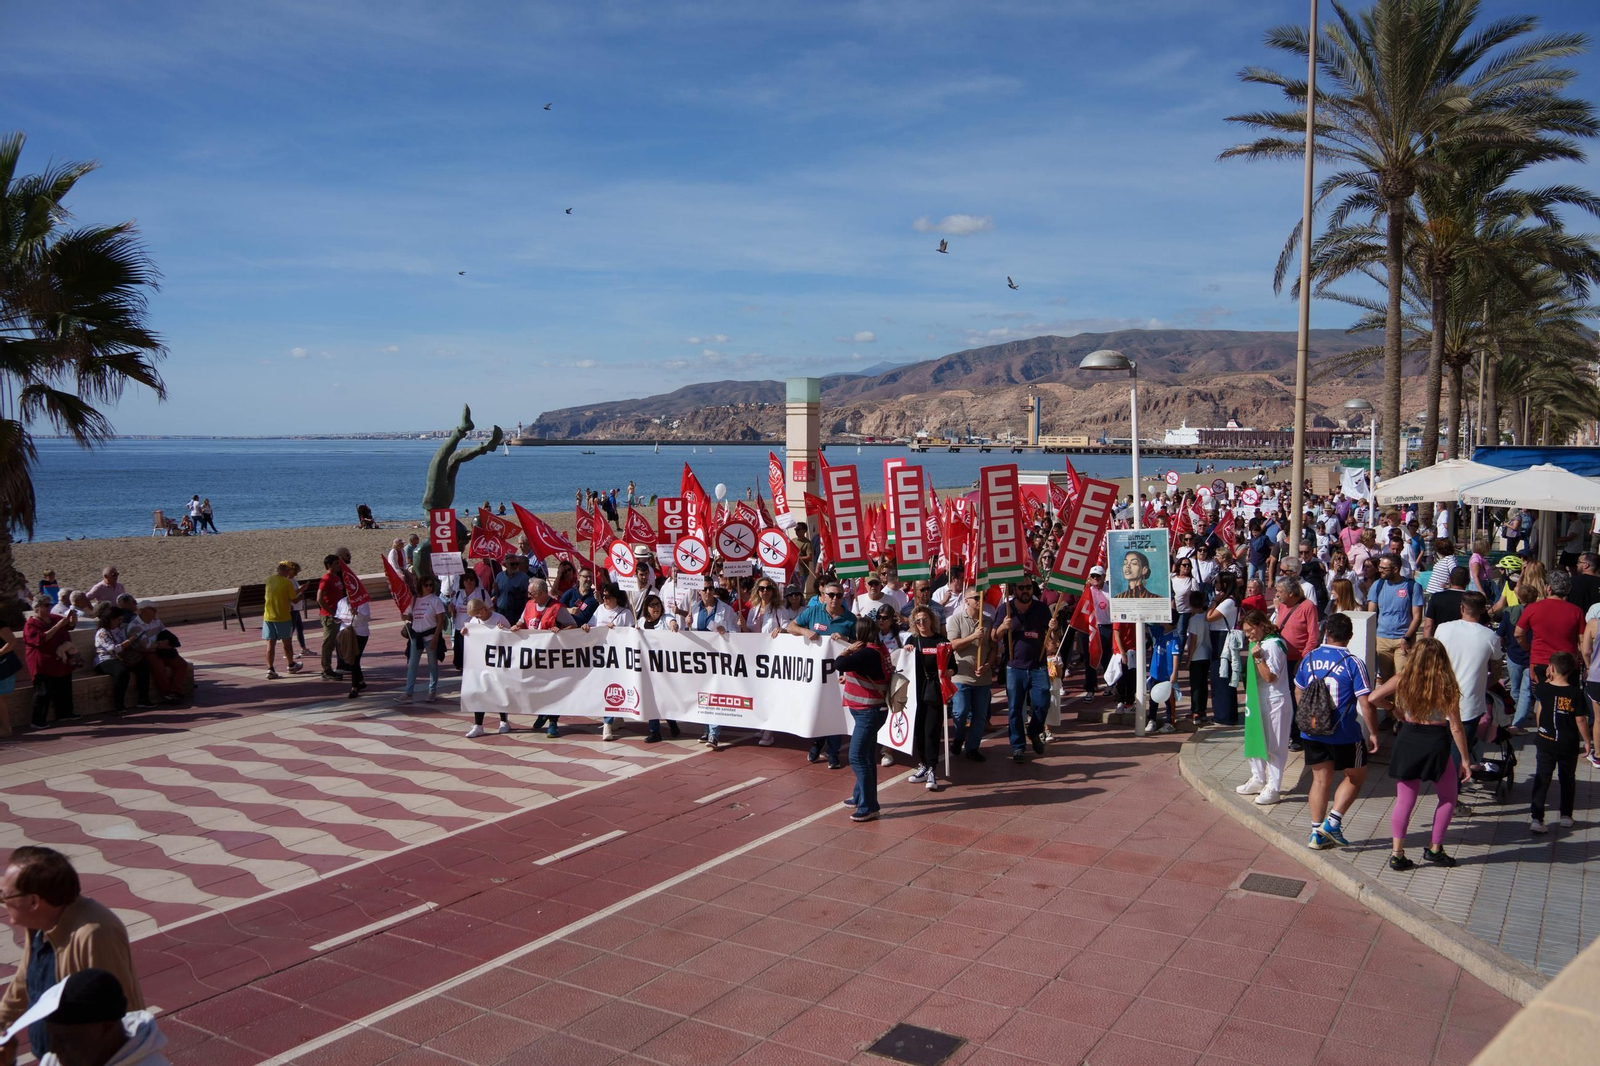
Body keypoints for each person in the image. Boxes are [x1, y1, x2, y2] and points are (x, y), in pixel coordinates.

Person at [0, 848, 143, 1065]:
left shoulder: (95, 934)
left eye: (5, 896)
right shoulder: (39, 924)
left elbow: (117, 1015)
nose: (3, 902)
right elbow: (25, 980)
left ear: (33, 902)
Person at [1370, 638, 1472, 869]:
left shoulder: (1404, 679)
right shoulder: (1447, 685)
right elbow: (1455, 726)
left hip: (1408, 738)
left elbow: (1374, 698)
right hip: (1435, 742)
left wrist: (1393, 709)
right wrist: (1465, 759)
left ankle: (1397, 854)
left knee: (1405, 801)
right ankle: (1435, 848)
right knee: (1447, 796)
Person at [1297, 613, 1378, 850]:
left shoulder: (1309, 658)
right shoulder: (1353, 662)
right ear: (1350, 636)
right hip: (1344, 733)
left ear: (1326, 633)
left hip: (1312, 731)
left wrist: (1307, 719)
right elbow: (1365, 702)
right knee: (1356, 776)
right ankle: (1332, 822)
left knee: (1320, 780)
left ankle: (1315, 833)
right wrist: (1373, 732)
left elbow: (1299, 692)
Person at [12, 968, 169, 1066]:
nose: (53, 1049)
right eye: (52, 1036)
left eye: (65, 1038)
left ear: (106, 1025)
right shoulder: (61, 1060)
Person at [787, 581, 856, 768]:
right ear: (823, 595)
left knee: (835, 712)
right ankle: (817, 743)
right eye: (831, 595)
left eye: (839, 596)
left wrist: (846, 640)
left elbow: (859, 644)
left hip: (837, 674)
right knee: (817, 708)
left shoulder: (850, 619)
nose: (835, 599)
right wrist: (805, 631)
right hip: (815, 675)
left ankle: (833, 753)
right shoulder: (813, 611)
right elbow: (791, 627)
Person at [1528, 651, 1592, 834]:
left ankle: (1537, 818)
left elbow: (1540, 708)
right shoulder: (1576, 693)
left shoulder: (1542, 689)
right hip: (1568, 743)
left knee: (1542, 778)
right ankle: (1566, 815)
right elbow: (1580, 719)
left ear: (1551, 668)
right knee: (1567, 779)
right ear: (1572, 671)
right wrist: (1587, 741)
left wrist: (1548, 679)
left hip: (1545, 741)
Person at [836, 618, 893, 823]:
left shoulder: (866, 653)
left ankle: (869, 806)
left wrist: (848, 650)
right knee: (867, 756)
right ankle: (860, 796)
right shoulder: (878, 648)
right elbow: (863, 672)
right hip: (869, 710)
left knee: (858, 757)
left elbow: (839, 663)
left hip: (868, 712)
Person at [1234, 608, 1291, 805]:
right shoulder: (1260, 643)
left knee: (1275, 746)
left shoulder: (1274, 645)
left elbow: (1270, 677)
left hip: (1275, 700)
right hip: (1259, 700)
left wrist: (1258, 658)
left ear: (1261, 625)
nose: (1248, 635)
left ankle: (1273, 788)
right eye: (1245, 632)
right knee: (1255, 738)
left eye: (1250, 630)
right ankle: (1258, 778)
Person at [1434, 592, 1501, 758]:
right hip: (1471, 703)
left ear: (1462, 608)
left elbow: (1433, 662)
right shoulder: (1491, 637)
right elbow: (1497, 671)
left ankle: (1443, 782)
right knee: (1460, 750)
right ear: (1483, 610)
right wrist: (1482, 685)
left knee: (1441, 748)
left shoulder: (1443, 629)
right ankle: (1455, 782)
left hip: (1441, 699)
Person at [994, 577, 1052, 762]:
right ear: (1014, 590)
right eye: (1022, 588)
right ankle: (1017, 747)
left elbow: (1052, 638)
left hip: (1038, 666)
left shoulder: (1041, 609)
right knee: (1014, 709)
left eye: (1029, 587)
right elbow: (994, 636)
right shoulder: (1005, 609)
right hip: (1014, 666)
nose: (1026, 590)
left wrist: (1055, 628)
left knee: (1043, 702)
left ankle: (1034, 732)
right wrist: (1003, 627)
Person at [514, 578, 578, 737]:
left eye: (532, 593)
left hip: (551, 657)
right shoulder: (529, 605)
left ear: (541, 593)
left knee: (552, 689)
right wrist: (516, 627)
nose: (529, 596)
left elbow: (573, 625)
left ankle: (553, 722)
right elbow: (522, 622)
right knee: (535, 687)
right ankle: (542, 712)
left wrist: (561, 631)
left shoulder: (557, 608)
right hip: (533, 656)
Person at [903, 606, 947, 791]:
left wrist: (947, 672)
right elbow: (903, 663)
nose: (921, 623)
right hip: (915, 693)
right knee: (918, 732)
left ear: (931, 620)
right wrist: (906, 650)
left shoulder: (941, 641)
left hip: (934, 692)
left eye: (924, 620)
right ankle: (922, 764)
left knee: (931, 731)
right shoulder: (913, 639)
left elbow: (953, 666)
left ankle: (931, 768)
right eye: (918, 621)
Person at [946, 588, 993, 760]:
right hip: (961, 675)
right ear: (967, 600)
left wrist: (988, 664)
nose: (980, 600)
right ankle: (958, 737)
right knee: (960, 711)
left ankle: (972, 747)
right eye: (976, 597)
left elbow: (993, 647)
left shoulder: (988, 621)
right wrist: (973, 636)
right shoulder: (956, 620)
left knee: (980, 716)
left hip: (982, 678)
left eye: (983, 597)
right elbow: (953, 645)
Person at [586, 584, 637, 742]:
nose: (605, 599)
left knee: (614, 687)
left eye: (608, 596)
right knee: (605, 687)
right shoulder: (600, 609)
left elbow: (632, 633)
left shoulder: (625, 613)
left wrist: (616, 631)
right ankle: (616, 719)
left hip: (619, 658)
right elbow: (592, 625)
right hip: (602, 657)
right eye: (604, 596)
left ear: (616, 597)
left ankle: (607, 722)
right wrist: (587, 627)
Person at [1517, 568, 1583, 686]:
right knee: (1567, 700)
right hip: (1567, 663)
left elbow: (1518, 634)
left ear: (1548, 588)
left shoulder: (1532, 608)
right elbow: (1582, 641)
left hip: (1540, 661)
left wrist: (1528, 648)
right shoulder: (1576, 611)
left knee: (1542, 697)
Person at [1367, 553, 1422, 684]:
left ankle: (1402, 704)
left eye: (1384, 568)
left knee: (1403, 678)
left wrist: (1407, 637)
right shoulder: (1377, 585)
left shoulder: (1412, 586)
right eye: (1379, 567)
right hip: (1382, 639)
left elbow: (1417, 616)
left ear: (1396, 569)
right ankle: (1392, 704)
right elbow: (1371, 613)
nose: (1380, 570)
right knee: (1385, 680)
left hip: (1403, 639)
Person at [23, 597, 77, 729]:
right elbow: (41, 639)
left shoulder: (54, 618)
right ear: (37, 607)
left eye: (50, 605)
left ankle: (65, 713)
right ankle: (37, 720)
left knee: (64, 686)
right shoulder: (31, 624)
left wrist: (72, 619)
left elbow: (69, 626)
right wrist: (58, 626)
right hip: (42, 661)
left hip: (60, 658)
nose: (49, 607)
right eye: (46, 605)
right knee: (44, 691)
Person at [638, 595, 682, 743]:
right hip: (648, 667)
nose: (656, 608)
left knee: (664, 697)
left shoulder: (665, 618)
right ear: (646, 608)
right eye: (652, 605)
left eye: (658, 604)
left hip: (664, 667)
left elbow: (672, 622)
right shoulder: (641, 622)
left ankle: (672, 722)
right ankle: (654, 731)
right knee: (651, 698)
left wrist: (673, 625)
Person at [396, 576, 447, 705]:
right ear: (421, 586)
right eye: (426, 585)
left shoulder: (436, 601)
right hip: (416, 636)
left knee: (432, 665)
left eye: (431, 585)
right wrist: (406, 616)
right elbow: (413, 617)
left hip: (430, 636)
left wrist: (436, 638)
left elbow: (440, 620)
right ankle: (409, 693)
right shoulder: (414, 600)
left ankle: (432, 691)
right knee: (412, 665)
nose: (429, 587)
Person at [91, 605, 149, 714]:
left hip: (121, 657)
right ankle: (119, 703)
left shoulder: (118, 629)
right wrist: (129, 641)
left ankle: (143, 699)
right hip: (105, 659)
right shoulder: (102, 632)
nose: (120, 622)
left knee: (143, 666)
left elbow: (123, 643)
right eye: (118, 619)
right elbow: (112, 649)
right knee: (122, 672)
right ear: (111, 619)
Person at [127, 604, 188, 703]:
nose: (156, 611)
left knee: (182, 664)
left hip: (161, 650)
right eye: (153, 609)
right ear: (145, 611)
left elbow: (167, 635)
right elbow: (145, 646)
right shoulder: (135, 626)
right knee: (160, 668)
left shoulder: (157, 621)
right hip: (145, 653)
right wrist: (160, 644)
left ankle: (174, 691)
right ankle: (167, 693)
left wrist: (167, 644)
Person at [262, 562, 301, 680]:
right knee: (287, 643)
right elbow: (294, 600)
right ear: (287, 571)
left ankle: (270, 668)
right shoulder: (287, 582)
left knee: (270, 643)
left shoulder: (269, 580)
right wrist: (301, 592)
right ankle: (290, 665)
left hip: (268, 616)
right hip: (283, 617)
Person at [447, 571, 488, 671]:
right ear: (462, 581)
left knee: (472, 658)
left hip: (475, 630)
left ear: (476, 580)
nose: (469, 581)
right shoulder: (458, 594)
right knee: (460, 661)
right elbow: (452, 611)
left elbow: (490, 609)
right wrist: (450, 609)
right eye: (466, 579)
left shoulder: (481, 593)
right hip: (459, 629)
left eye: (471, 579)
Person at [315, 555, 346, 683]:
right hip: (329, 617)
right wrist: (331, 612)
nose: (339, 566)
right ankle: (326, 670)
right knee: (328, 643)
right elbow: (319, 598)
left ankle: (336, 667)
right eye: (336, 564)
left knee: (336, 642)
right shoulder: (326, 579)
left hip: (338, 614)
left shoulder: (336, 577)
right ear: (329, 566)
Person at [1423, 566, 1470, 637]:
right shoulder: (1472, 599)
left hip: (1440, 641)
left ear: (1449, 580)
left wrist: (1426, 645)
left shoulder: (1436, 597)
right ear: (1468, 581)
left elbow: (1428, 626)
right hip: (1465, 641)